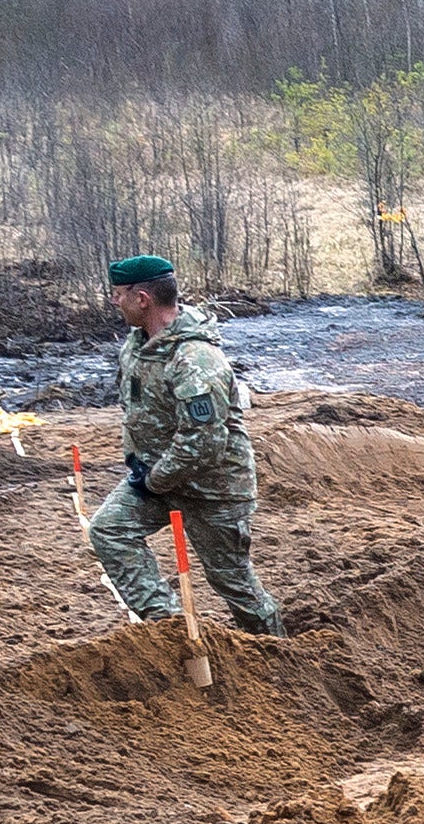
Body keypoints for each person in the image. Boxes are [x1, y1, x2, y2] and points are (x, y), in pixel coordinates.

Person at [90, 256, 283, 637]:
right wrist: (147, 472)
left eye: (118, 294)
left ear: (142, 298)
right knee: (109, 529)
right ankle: (173, 630)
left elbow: (204, 442)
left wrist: (154, 480)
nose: (114, 302)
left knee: (233, 583)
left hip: (214, 489)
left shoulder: (195, 359)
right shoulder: (136, 345)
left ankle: (280, 656)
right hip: (157, 477)